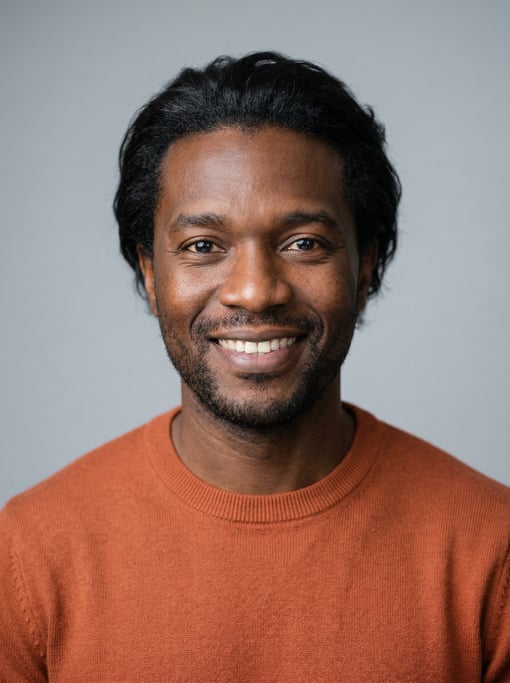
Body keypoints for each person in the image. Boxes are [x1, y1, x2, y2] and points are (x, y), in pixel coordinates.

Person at [1, 51, 509, 683]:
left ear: (368, 264)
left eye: (304, 243)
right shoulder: (25, 556)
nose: (254, 290)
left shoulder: (493, 550)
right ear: (151, 274)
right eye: (203, 247)